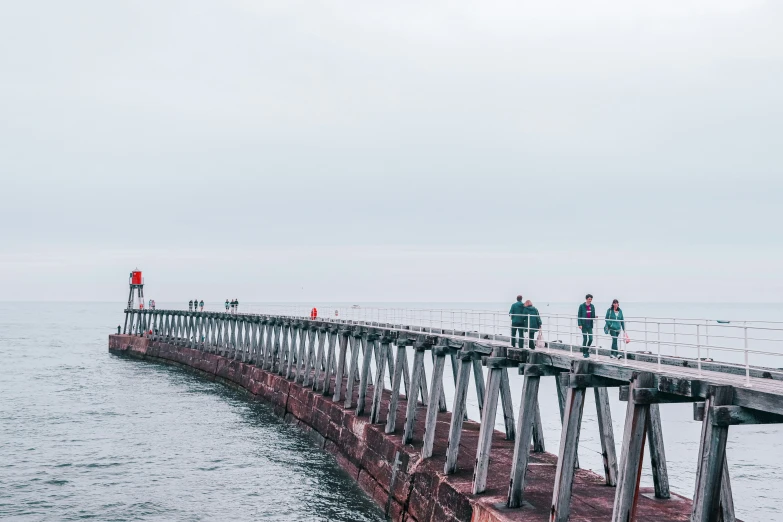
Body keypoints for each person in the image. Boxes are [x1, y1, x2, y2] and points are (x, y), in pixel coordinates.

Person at [577, 294, 596, 358]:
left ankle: (586, 350)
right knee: (585, 339)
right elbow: (579, 316)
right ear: (586, 299)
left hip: (590, 325)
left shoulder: (592, 306)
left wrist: (595, 316)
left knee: (591, 339)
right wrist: (579, 324)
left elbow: (592, 315)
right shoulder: (582, 306)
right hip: (584, 325)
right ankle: (584, 352)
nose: (590, 300)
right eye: (589, 299)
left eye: (591, 299)